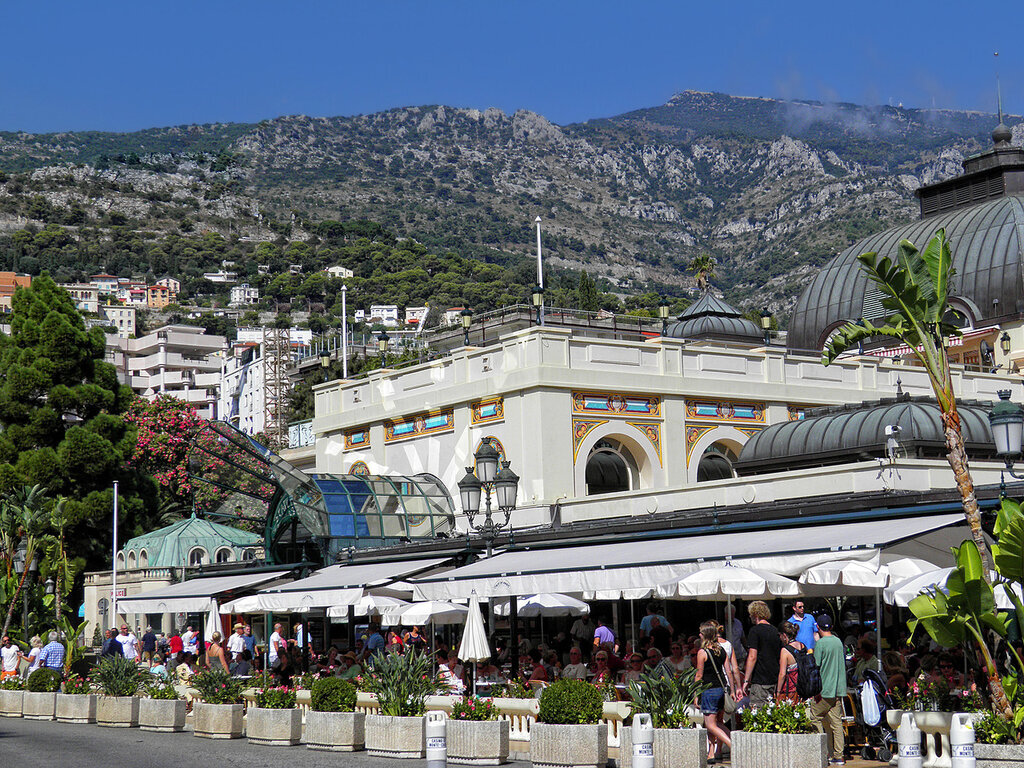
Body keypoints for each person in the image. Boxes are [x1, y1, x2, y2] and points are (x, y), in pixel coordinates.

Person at [809, 613, 846, 766]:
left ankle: (821, 751)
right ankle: (839, 755)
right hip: (838, 689)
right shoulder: (838, 642)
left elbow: (815, 666)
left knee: (814, 717)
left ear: (818, 627)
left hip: (824, 689)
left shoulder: (821, 644)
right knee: (836, 723)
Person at [694, 620, 732, 764]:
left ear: (704, 635)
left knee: (710, 724)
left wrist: (696, 694)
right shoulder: (721, 651)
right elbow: (728, 671)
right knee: (718, 723)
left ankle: (731, 745)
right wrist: (732, 689)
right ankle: (713, 753)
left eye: (701, 632)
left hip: (709, 690)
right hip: (722, 689)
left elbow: (699, 675)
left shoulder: (702, 652)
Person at [742, 600, 781, 708]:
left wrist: (746, 679)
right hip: (774, 677)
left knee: (758, 713)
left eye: (750, 614)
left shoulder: (755, 631)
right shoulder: (775, 630)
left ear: (755, 614)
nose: (750, 617)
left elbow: (752, 656)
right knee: (771, 711)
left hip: (760, 678)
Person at [776, 621, 805, 702]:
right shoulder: (802, 646)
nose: (780, 638)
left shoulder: (785, 651)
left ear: (784, 635)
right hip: (803, 687)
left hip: (791, 689)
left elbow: (782, 674)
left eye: (780, 635)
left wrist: (778, 691)